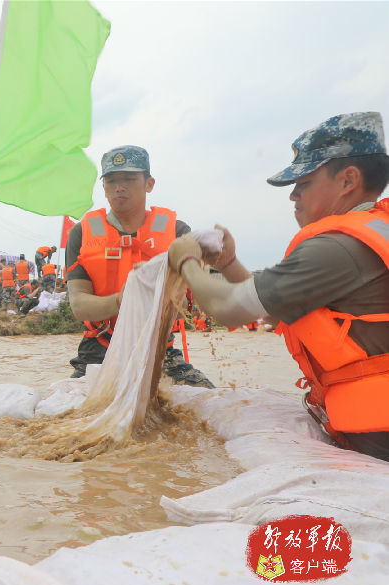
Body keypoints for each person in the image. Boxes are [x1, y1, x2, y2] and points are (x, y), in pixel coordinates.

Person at [167, 112, 389, 461]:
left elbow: (228, 308)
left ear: (348, 180)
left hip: (377, 437)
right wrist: (227, 264)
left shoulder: (336, 248)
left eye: (304, 183)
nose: (293, 196)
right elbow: (272, 310)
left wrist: (185, 262)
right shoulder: (377, 230)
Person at [65, 145, 214, 387]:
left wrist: (149, 301)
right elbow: (80, 305)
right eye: (111, 180)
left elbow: (184, 305)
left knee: (205, 399)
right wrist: (121, 301)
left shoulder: (178, 233)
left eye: (129, 179)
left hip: (159, 350)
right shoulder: (81, 233)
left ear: (149, 184)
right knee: (68, 411)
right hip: (99, 351)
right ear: (103, 187)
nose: (119, 187)